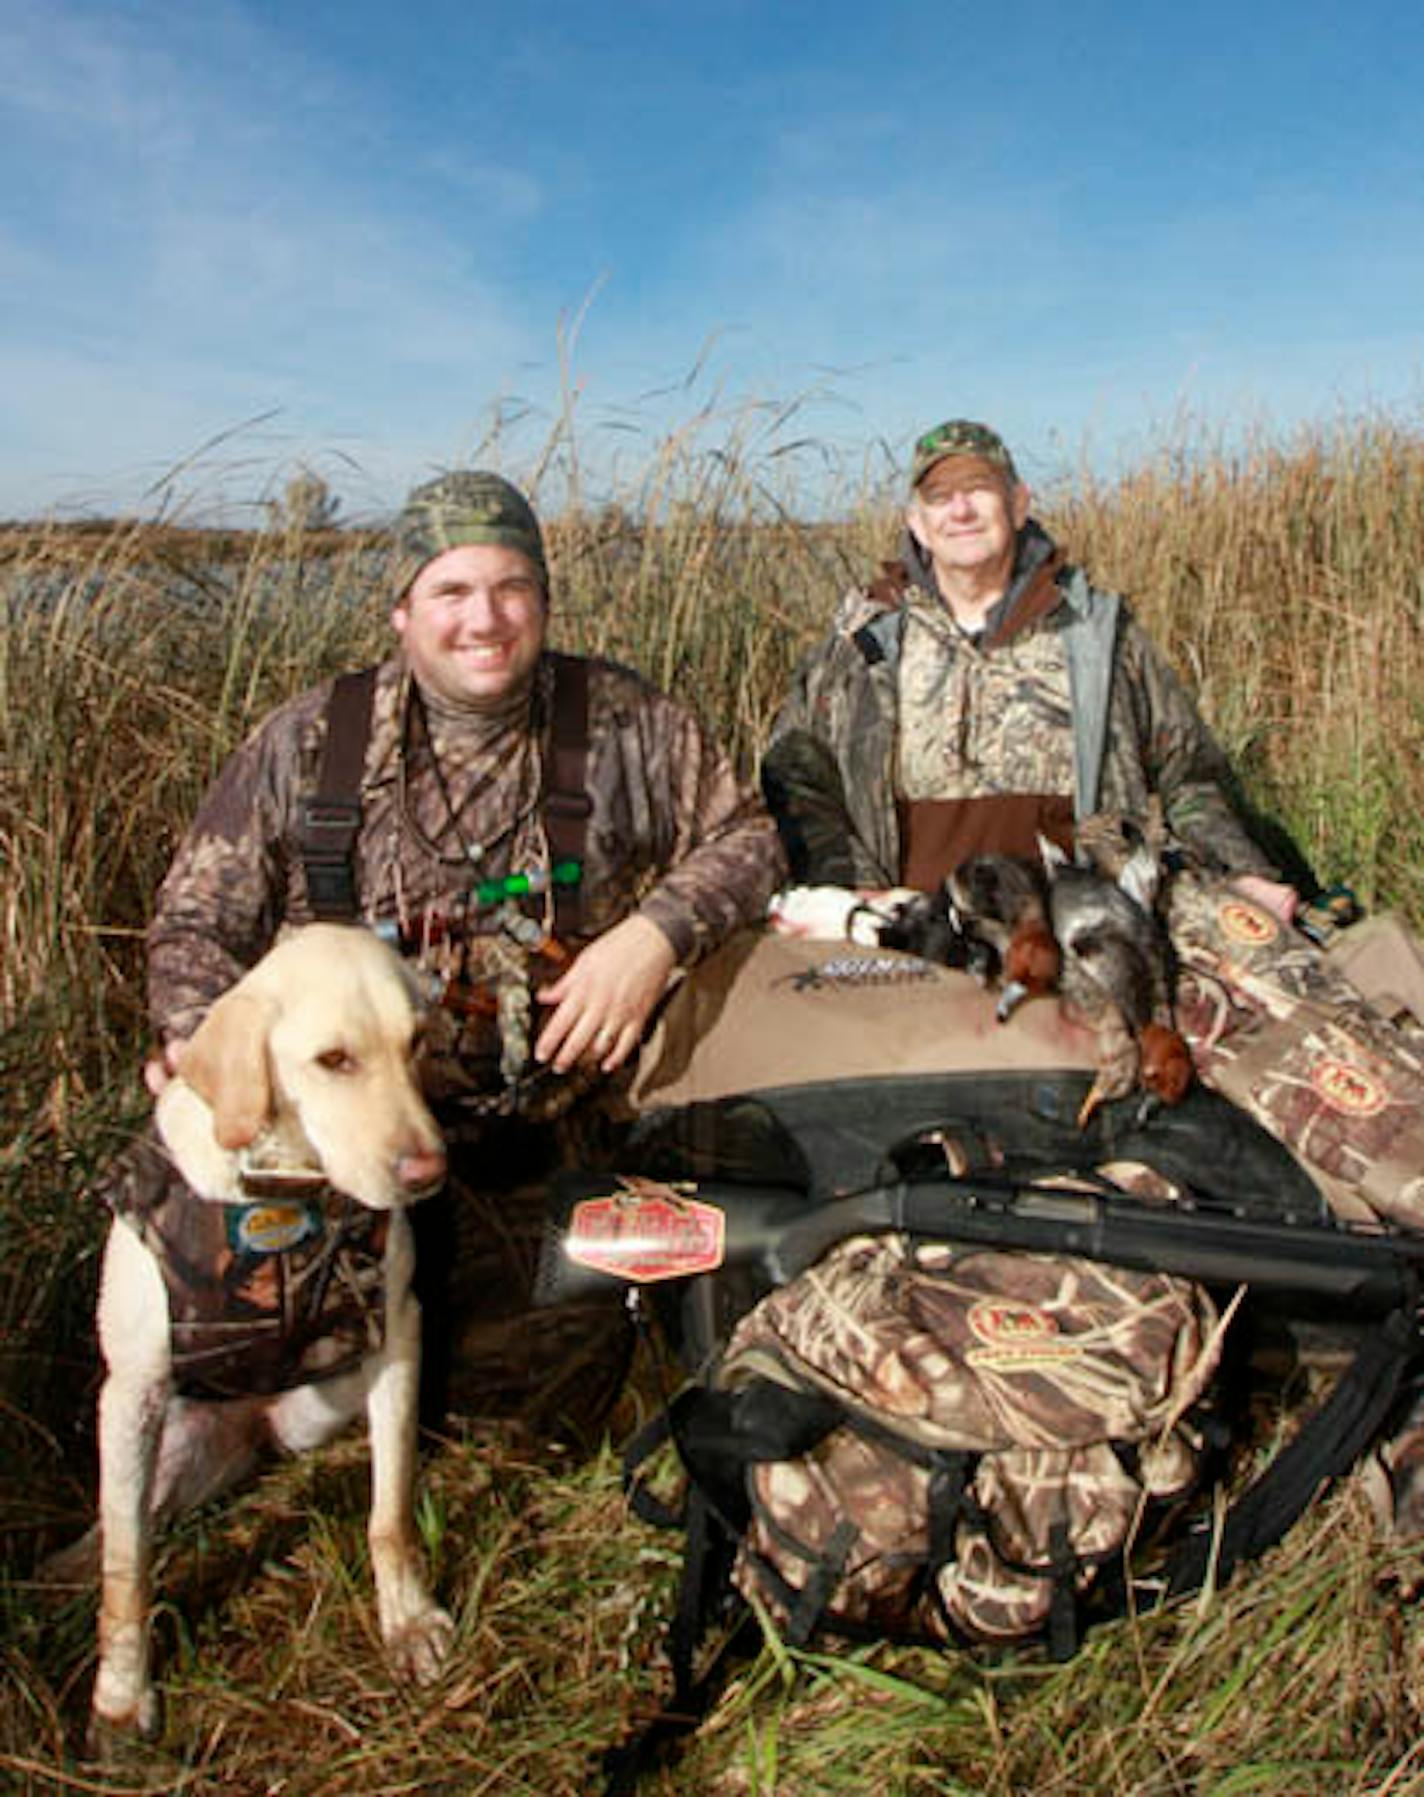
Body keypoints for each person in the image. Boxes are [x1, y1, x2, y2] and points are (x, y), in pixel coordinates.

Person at [144, 469, 785, 1433]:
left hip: (535, 1139)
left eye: (511, 587)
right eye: (450, 590)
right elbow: (195, 927)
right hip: (335, 1158)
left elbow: (752, 840)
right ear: (402, 611)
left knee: (514, 1418)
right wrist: (207, 1053)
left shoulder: (622, 720)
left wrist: (654, 937)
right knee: (209, 1351)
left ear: (543, 601)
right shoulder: (309, 742)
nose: (484, 618)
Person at [761, 418, 1298, 921]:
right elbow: (794, 776)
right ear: (917, 524)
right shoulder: (862, 646)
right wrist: (846, 889)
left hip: (1083, 934)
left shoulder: (1098, 635)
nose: (961, 510)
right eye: (939, 497)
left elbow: (1190, 774)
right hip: (910, 942)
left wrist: (1243, 875)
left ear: (1019, 505)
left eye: (979, 488)